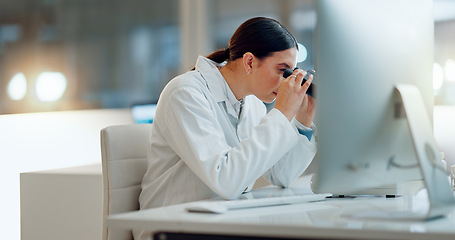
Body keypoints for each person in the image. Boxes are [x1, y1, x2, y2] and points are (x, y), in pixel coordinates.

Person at [134, 16, 316, 240]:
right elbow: (226, 180)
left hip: (220, 222)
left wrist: (302, 121)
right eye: (282, 70)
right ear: (249, 62)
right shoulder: (185, 92)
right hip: (174, 226)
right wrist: (282, 114)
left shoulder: (253, 104)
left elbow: (282, 176)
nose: (287, 81)